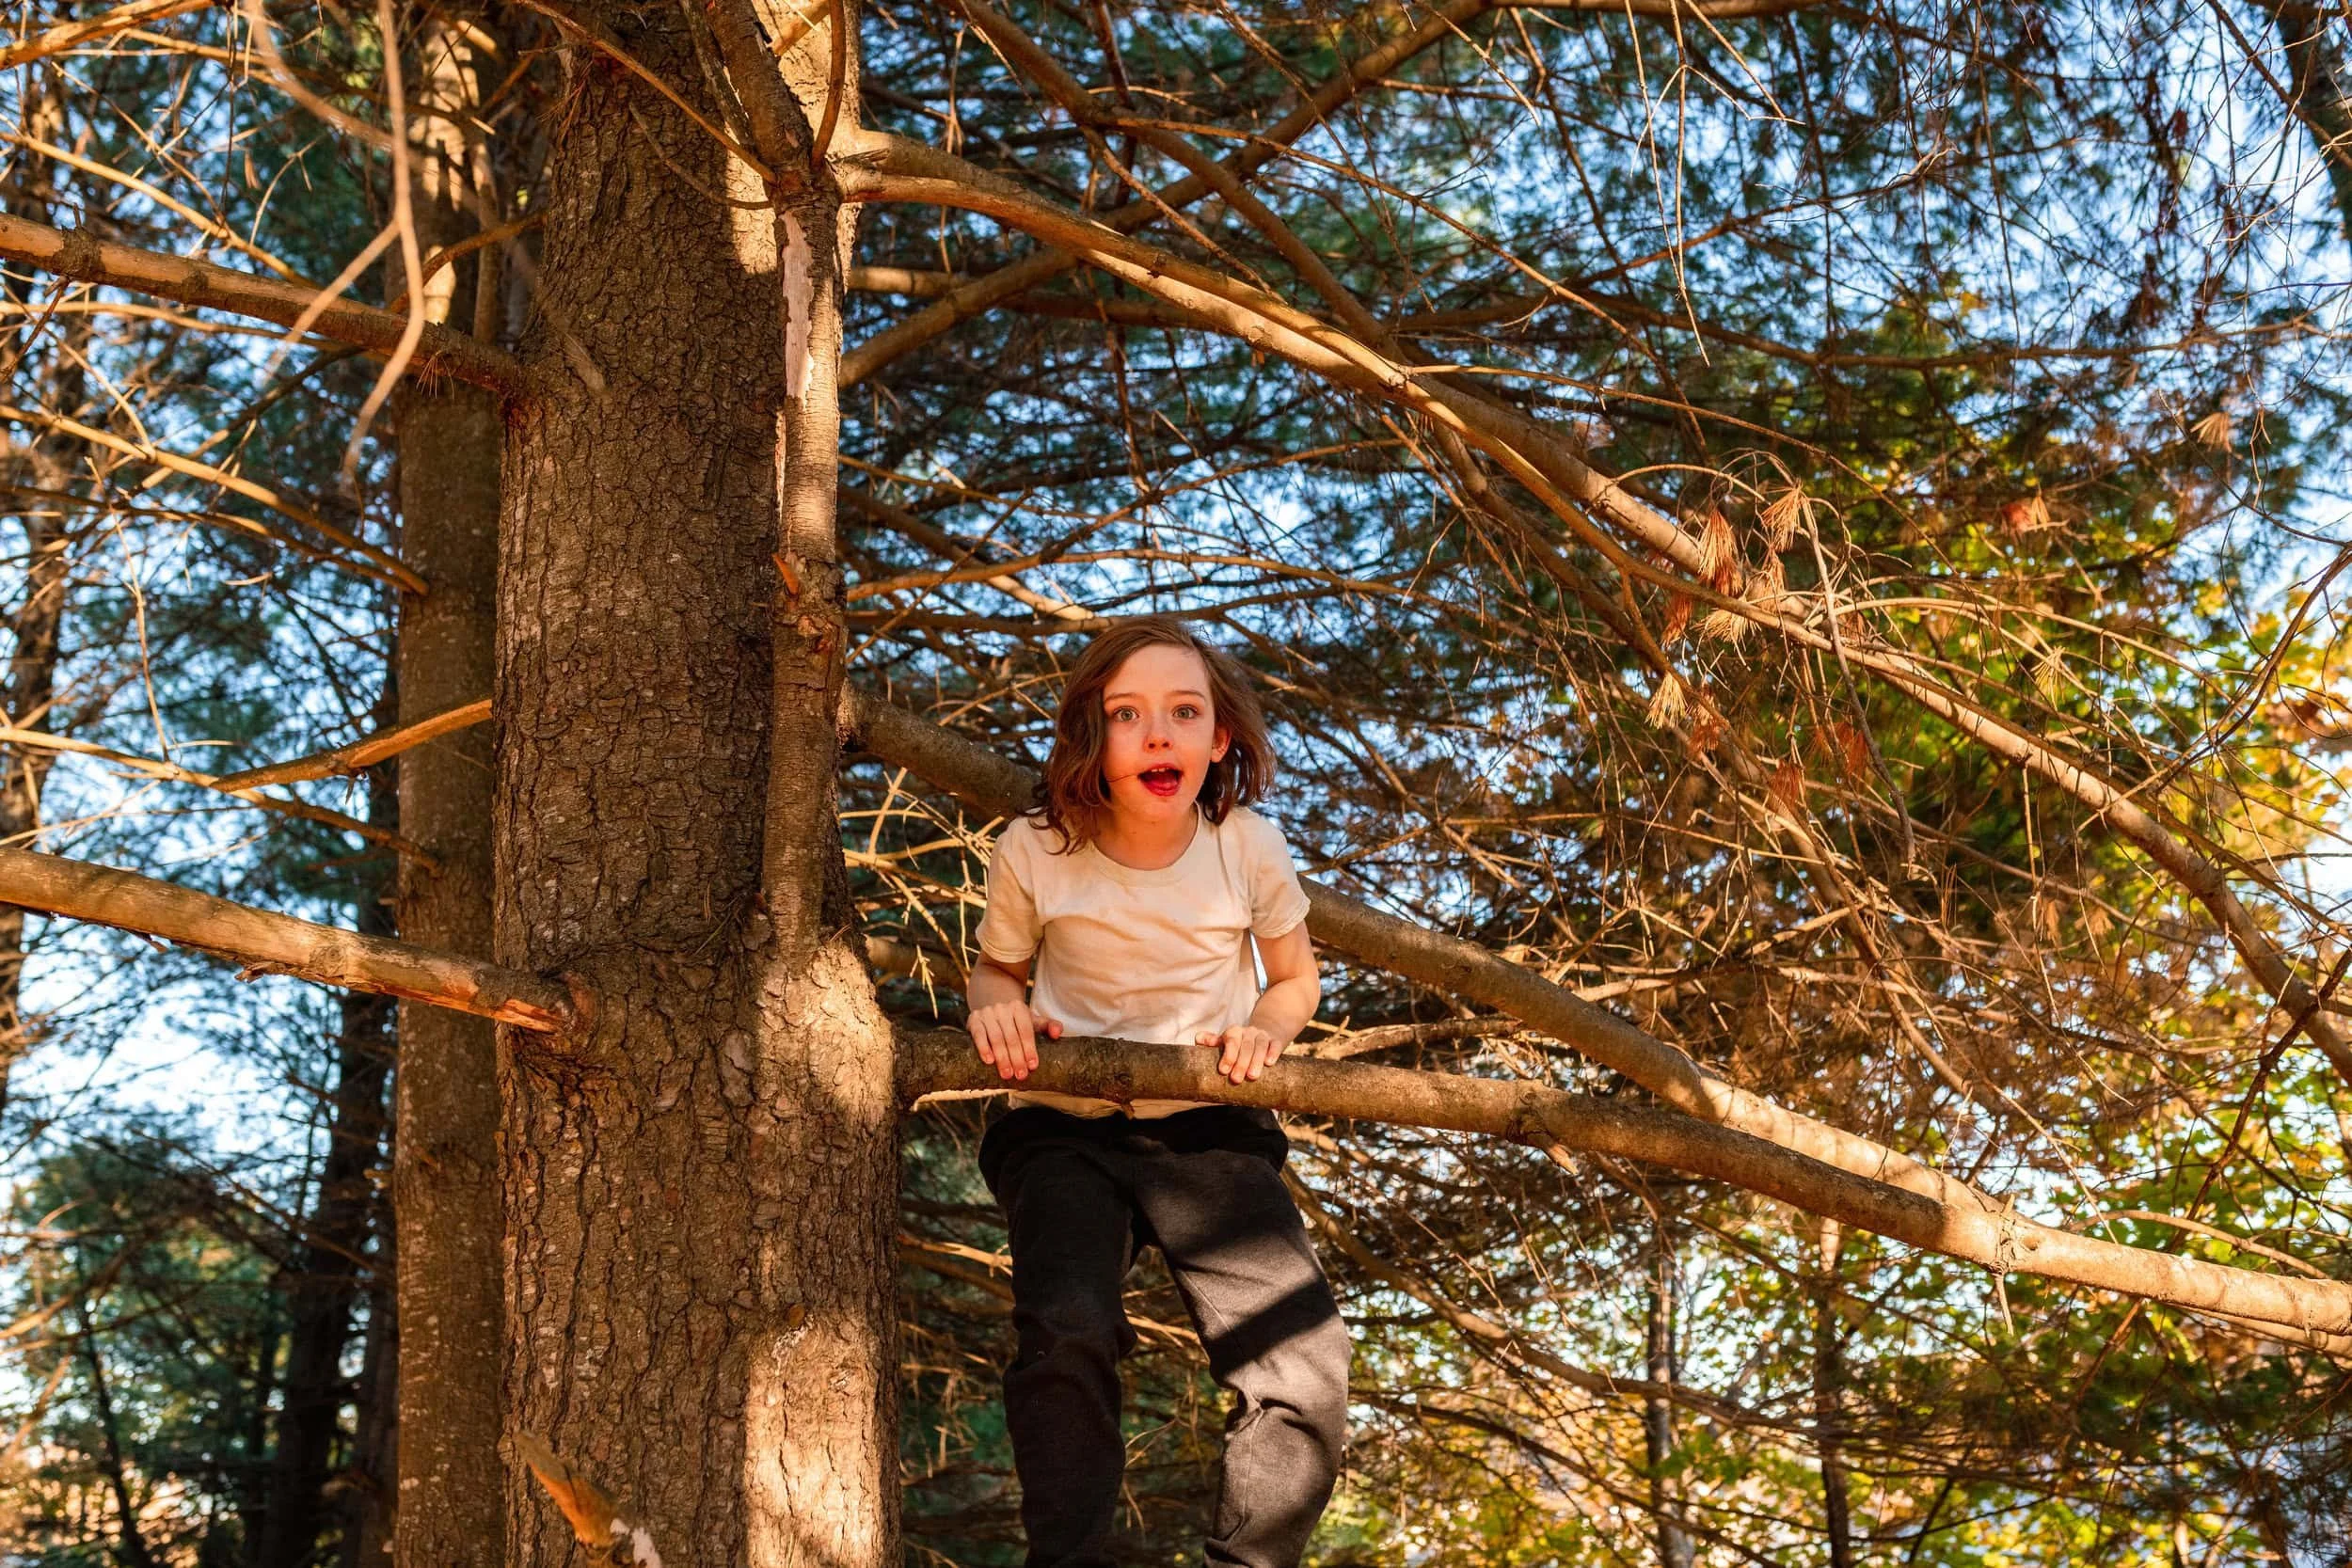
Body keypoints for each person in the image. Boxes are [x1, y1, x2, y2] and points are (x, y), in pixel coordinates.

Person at [965, 615, 1352, 1568]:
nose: (1157, 733)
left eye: (1184, 712)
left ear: (1219, 739)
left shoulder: (1247, 844)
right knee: (1067, 1331)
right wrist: (1001, 1014)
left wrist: (1263, 1029)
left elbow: (1295, 979)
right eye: (1127, 713)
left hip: (1209, 1126)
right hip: (1060, 1123)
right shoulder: (1035, 847)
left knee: (1304, 1366)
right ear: (1092, 734)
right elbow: (995, 972)